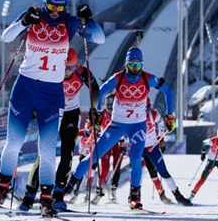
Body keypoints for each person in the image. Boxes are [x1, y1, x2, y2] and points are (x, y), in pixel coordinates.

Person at [0, 0, 105, 217]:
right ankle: (2, 189)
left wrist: (88, 20)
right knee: (13, 142)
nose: (54, 12)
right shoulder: (34, 15)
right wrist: (23, 22)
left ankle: (47, 198)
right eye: (51, 5)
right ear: (44, 1)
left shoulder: (69, 22)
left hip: (52, 92)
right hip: (25, 87)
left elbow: (99, 38)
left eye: (59, 8)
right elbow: (5, 36)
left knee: (48, 148)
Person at [64, 47, 175, 210]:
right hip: (117, 125)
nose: (135, 68)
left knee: (136, 158)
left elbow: (168, 91)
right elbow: (101, 91)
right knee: (93, 156)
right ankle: (66, 189)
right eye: (132, 64)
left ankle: (134, 197)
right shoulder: (118, 78)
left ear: (142, 64)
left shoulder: (148, 78)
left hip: (137, 126)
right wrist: (98, 112)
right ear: (127, 64)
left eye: (138, 64)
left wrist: (169, 115)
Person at [18, 47, 100, 211]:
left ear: (75, 65)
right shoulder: (49, 72)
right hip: (52, 113)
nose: (67, 72)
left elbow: (96, 90)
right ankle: (29, 195)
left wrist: (94, 109)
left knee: (67, 152)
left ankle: (58, 193)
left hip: (71, 113)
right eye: (64, 67)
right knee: (44, 153)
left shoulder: (83, 72)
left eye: (70, 68)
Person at [142, 99, 191, 206]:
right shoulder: (132, 115)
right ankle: (135, 196)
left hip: (152, 146)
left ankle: (178, 196)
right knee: (139, 171)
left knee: (163, 172)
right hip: (138, 147)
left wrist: (161, 140)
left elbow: (162, 128)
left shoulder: (154, 114)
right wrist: (123, 142)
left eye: (145, 108)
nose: (144, 112)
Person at [189, 127, 218, 203]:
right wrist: (203, 153)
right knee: (202, 179)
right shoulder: (212, 140)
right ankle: (192, 195)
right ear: (217, 135)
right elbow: (204, 143)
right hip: (211, 161)